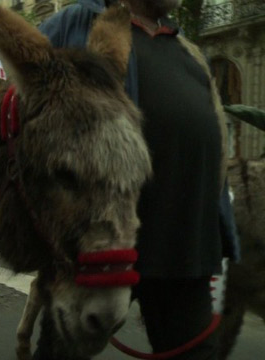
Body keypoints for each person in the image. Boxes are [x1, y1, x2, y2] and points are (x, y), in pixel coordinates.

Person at [34, 1, 239, 359]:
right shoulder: (76, 23)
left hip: (185, 253)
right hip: (104, 247)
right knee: (62, 353)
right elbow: (28, 116)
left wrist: (218, 230)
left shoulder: (187, 49)